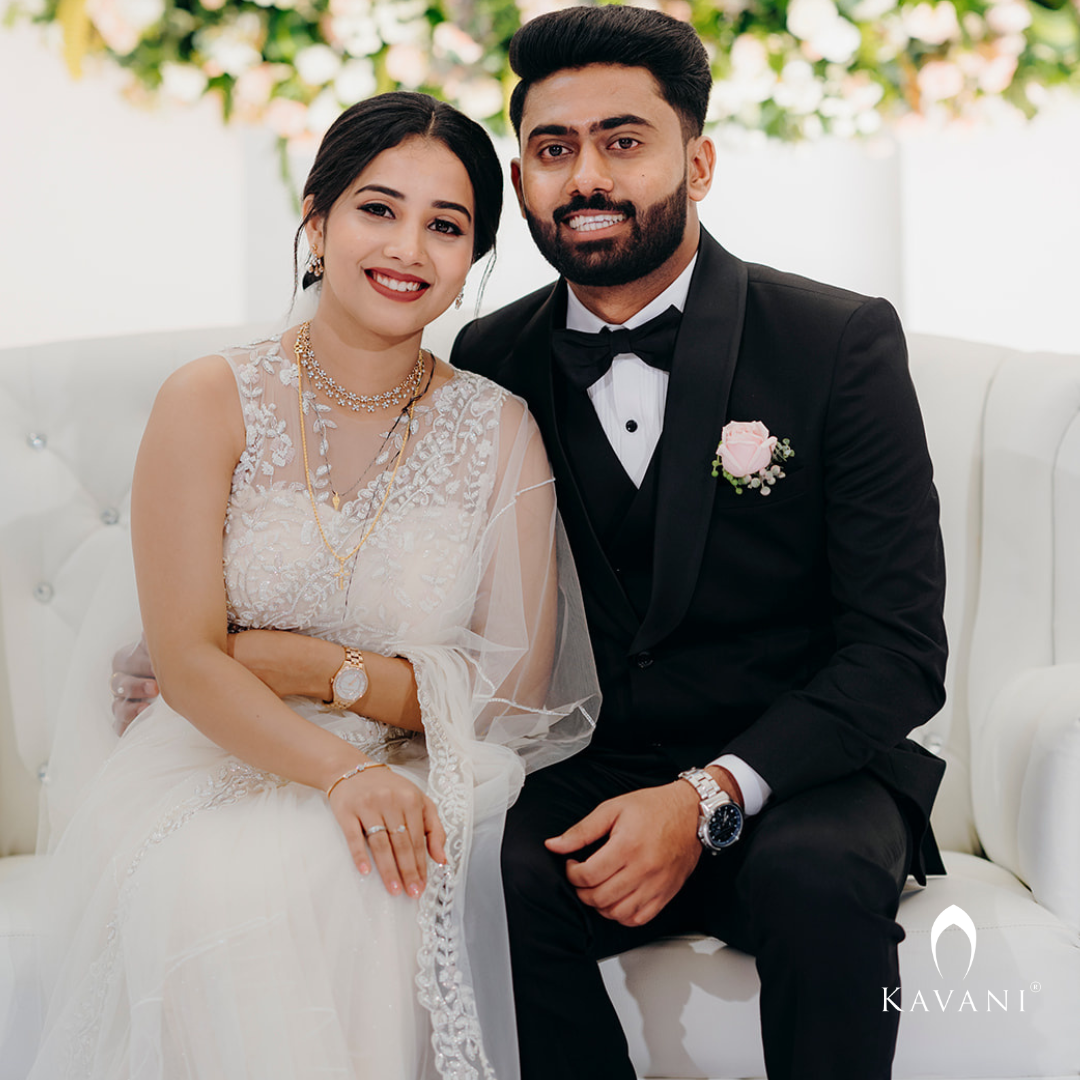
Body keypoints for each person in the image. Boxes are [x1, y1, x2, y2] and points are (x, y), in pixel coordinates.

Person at [31, 91, 597, 1080]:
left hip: (424, 771)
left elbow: (514, 694)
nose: (409, 247)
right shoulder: (210, 399)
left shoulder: (500, 429)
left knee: (377, 872)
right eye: (379, 208)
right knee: (229, 882)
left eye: (446, 225)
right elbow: (187, 661)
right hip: (216, 761)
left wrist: (298, 664)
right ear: (317, 216)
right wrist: (338, 769)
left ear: (474, 261)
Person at [448, 7, 948, 1080]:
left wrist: (711, 793)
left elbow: (900, 651)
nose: (586, 176)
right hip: (580, 772)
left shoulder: (836, 340)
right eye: (552, 148)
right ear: (526, 176)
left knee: (819, 883)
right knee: (488, 875)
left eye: (623, 141)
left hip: (805, 770)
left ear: (700, 159)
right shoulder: (486, 357)